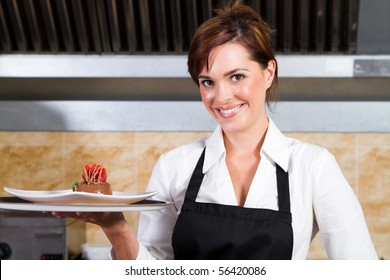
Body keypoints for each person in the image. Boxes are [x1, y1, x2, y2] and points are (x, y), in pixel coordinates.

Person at [52, 1, 377, 260]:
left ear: (268, 72)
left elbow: (360, 268)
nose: (221, 97)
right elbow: (149, 271)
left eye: (236, 77)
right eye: (208, 82)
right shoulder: (174, 166)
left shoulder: (312, 166)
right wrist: (117, 229)